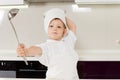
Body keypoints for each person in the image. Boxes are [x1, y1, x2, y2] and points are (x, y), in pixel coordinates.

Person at [17, 8, 79, 80]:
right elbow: (36, 49)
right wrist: (26, 51)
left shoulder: (68, 42)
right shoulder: (47, 46)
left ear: (64, 31)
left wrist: (60, 14)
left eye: (59, 26)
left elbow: (73, 26)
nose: (55, 29)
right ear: (47, 29)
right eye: (51, 26)